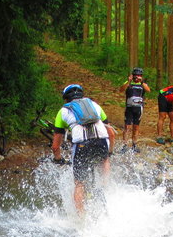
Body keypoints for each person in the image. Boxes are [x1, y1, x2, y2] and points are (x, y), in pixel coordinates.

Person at [51, 84, 115, 215]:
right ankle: (105, 186)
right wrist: (110, 152)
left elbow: (55, 146)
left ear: (66, 99)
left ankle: (81, 219)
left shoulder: (63, 111)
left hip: (82, 146)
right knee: (105, 160)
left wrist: (58, 159)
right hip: (101, 141)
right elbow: (111, 133)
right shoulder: (95, 105)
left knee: (80, 183)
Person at [120, 67, 151, 151]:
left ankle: (134, 144)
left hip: (139, 108)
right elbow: (121, 89)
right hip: (129, 108)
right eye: (135, 75)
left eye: (139, 75)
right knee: (127, 126)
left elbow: (148, 90)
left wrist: (142, 81)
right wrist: (129, 81)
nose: (137, 77)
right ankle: (125, 145)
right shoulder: (128, 82)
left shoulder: (143, 84)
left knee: (136, 127)